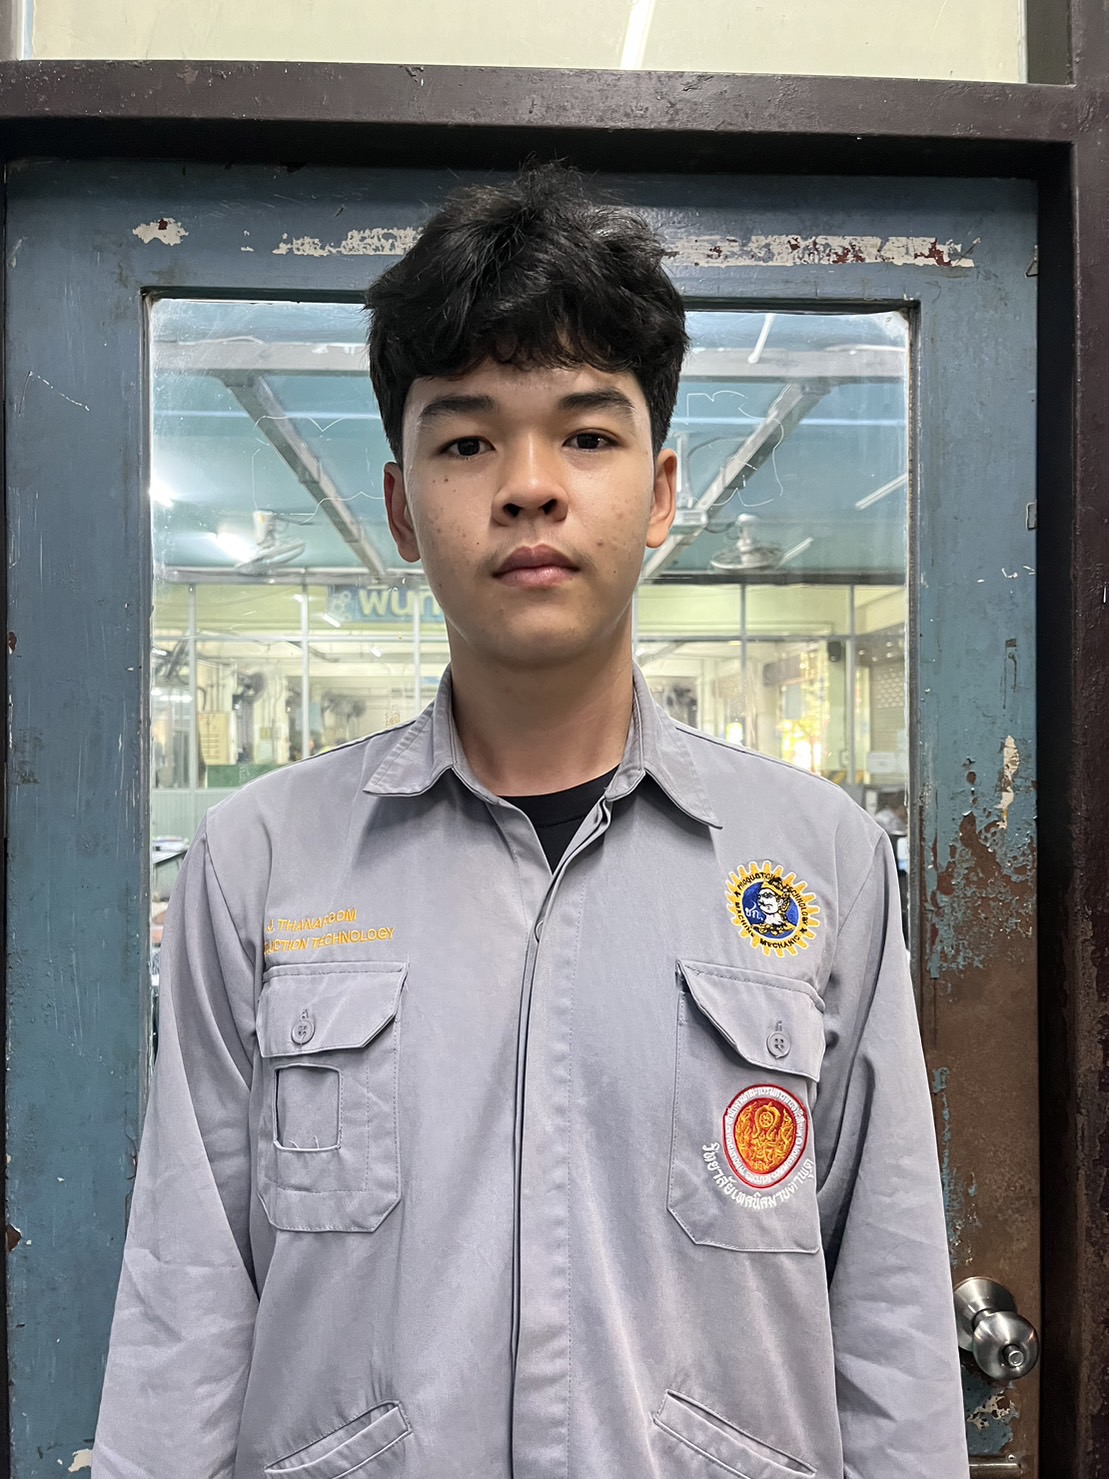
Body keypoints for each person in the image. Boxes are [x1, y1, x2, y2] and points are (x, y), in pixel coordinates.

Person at [93, 166, 969, 1479]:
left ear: (660, 493)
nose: (529, 487)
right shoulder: (262, 863)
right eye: (466, 442)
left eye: (587, 435)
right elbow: (186, 1308)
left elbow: (889, 1310)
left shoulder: (819, 859)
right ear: (402, 508)